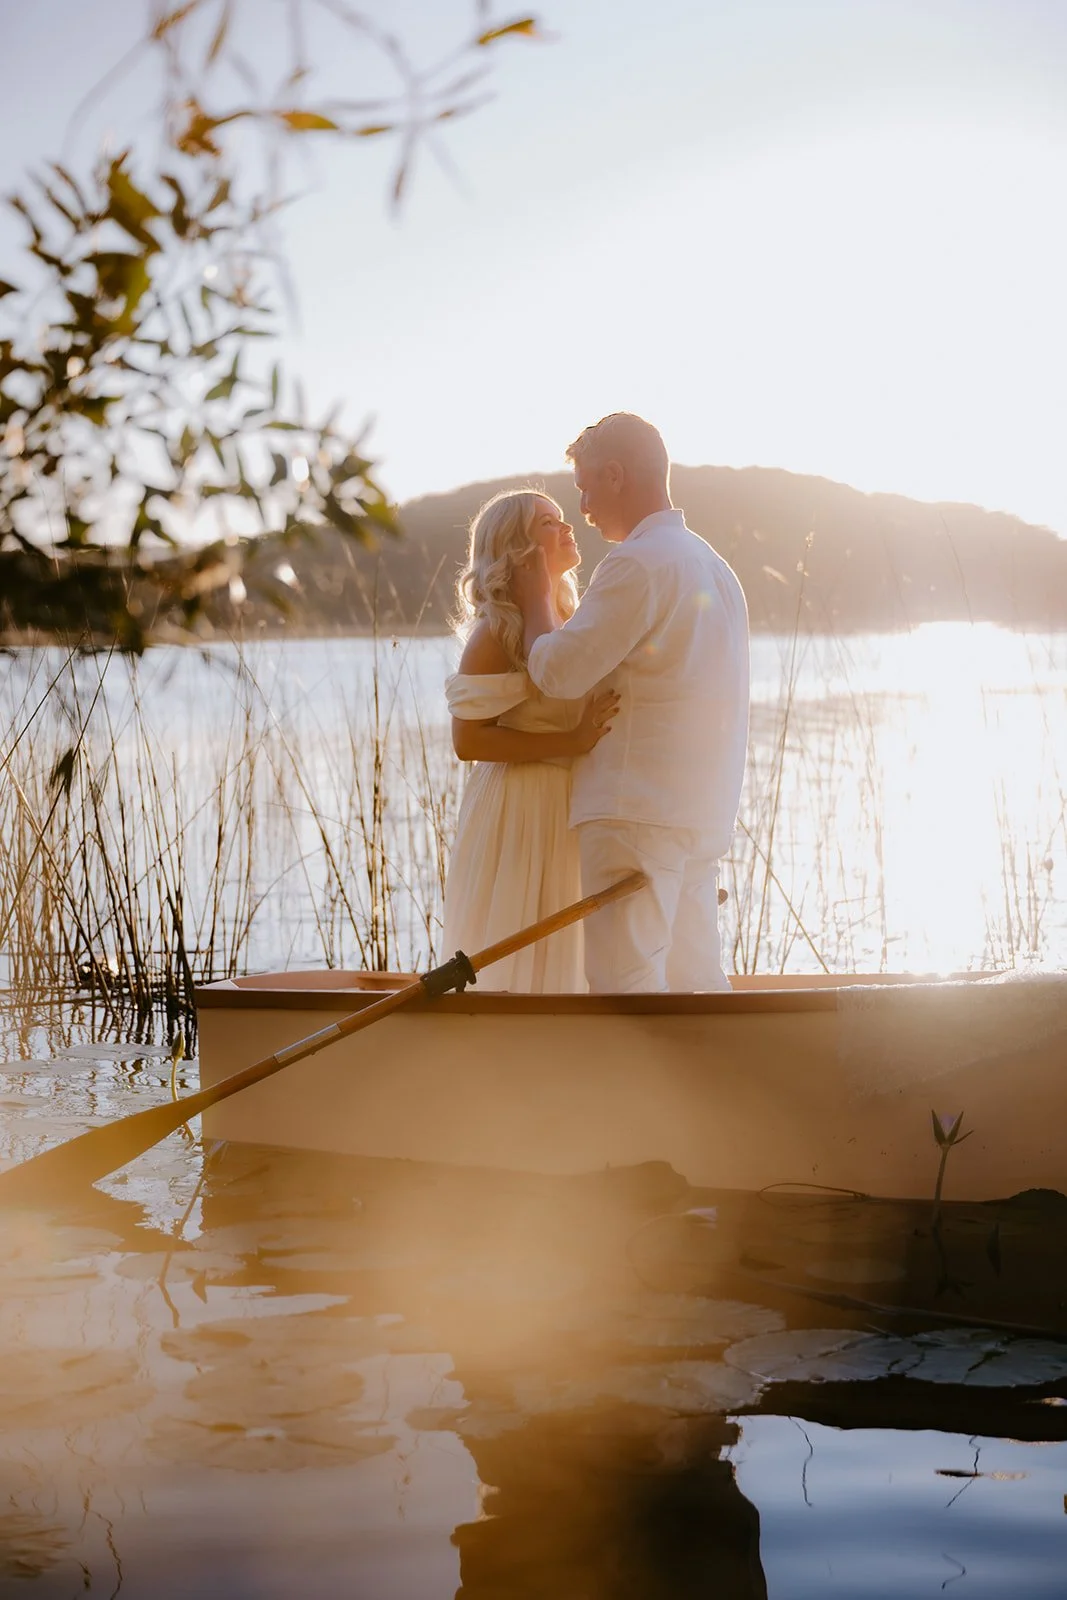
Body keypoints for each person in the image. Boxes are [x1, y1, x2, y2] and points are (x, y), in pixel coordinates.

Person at [514, 413, 749, 993]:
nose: (584, 507)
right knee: (696, 983)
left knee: (626, 990)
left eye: (586, 487)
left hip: (632, 813)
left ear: (616, 475)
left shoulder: (638, 564)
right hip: (701, 812)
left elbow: (558, 672)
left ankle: (629, 1085)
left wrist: (537, 595)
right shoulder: (716, 569)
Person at [441, 488, 619, 992]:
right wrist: (573, 741)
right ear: (517, 548)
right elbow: (468, 742)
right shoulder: (497, 632)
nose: (566, 528)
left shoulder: (569, 619)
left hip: (568, 805)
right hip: (519, 809)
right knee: (520, 946)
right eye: (548, 522)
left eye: (563, 519)